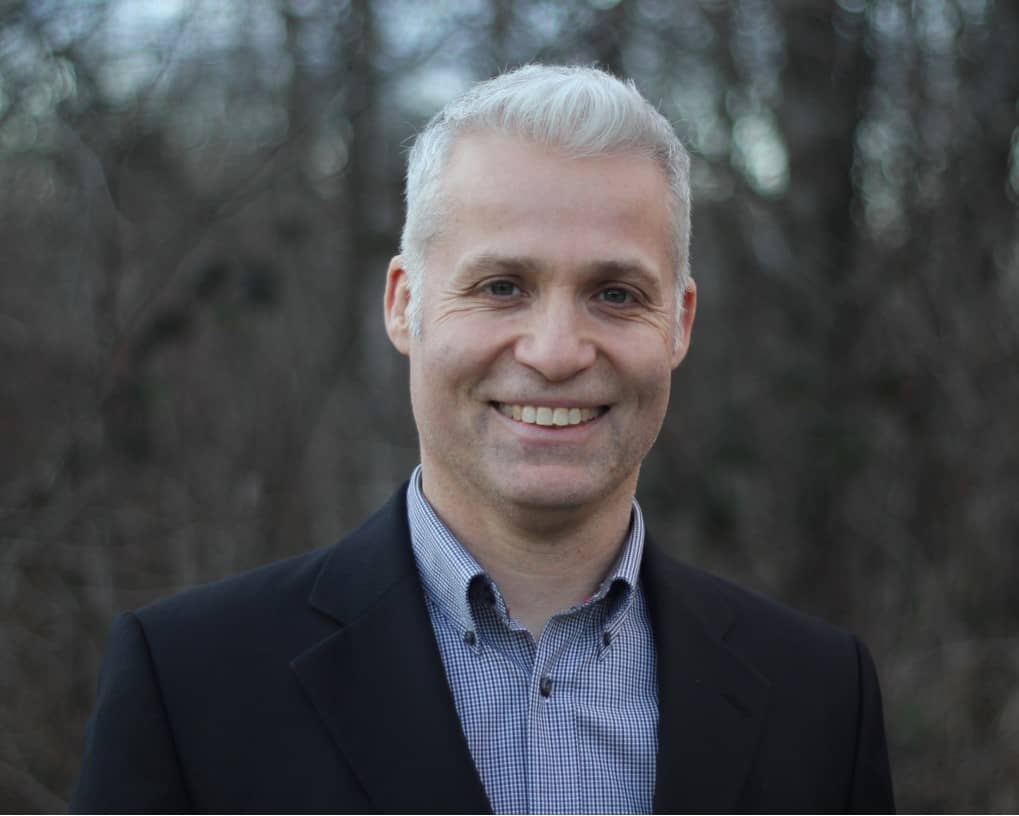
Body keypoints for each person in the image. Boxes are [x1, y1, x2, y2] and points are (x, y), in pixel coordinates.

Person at [72, 64, 894, 813]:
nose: (555, 352)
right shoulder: (190, 685)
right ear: (404, 304)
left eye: (614, 293)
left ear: (678, 323)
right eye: (502, 287)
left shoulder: (819, 699)